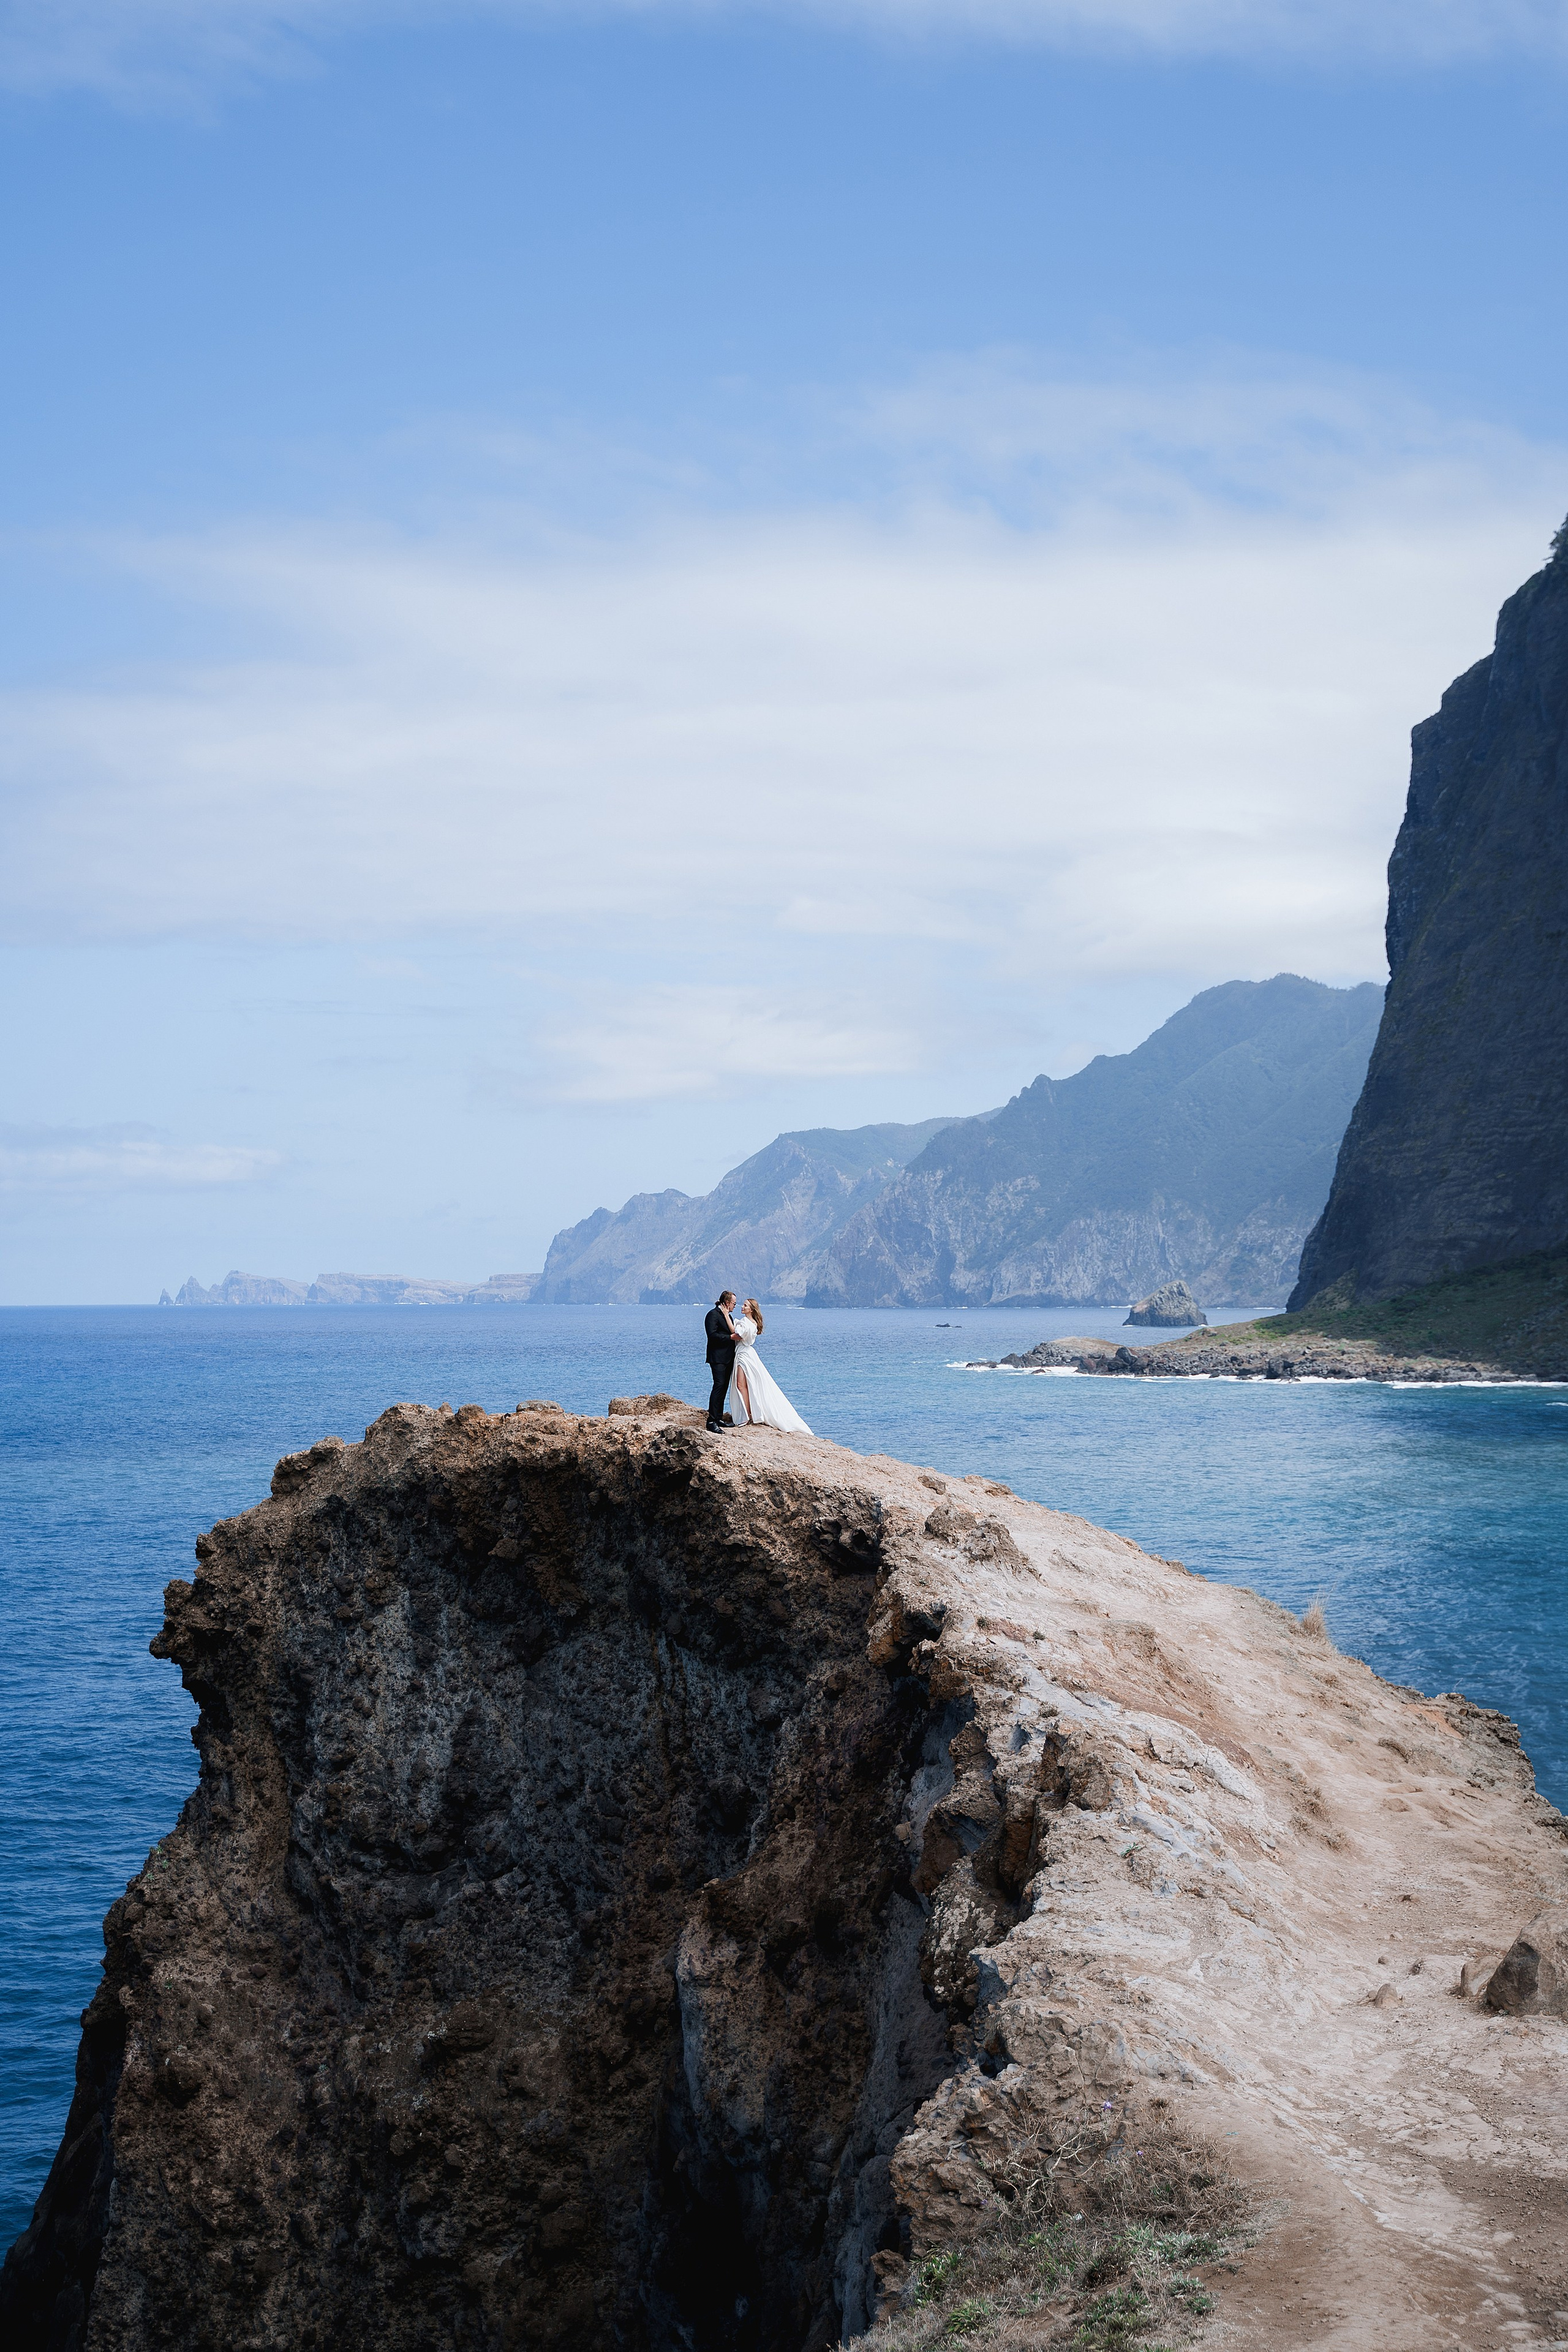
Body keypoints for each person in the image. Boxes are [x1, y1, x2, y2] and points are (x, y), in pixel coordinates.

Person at [727, 1297, 812, 1434]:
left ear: (751, 1309)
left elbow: (737, 1334)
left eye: (745, 1305)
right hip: (746, 1353)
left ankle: (747, 1415)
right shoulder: (752, 1323)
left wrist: (726, 1316)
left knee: (741, 1385)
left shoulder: (746, 1323)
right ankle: (748, 1414)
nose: (742, 1307)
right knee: (746, 1385)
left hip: (744, 1354)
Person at [704, 1292, 739, 1432]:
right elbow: (712, 1336)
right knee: (718, 1386)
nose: (735, 1306)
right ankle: (711, 1421)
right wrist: (730, 1337)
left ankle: (718, 1417)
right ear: (726, 1302)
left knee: (724, 1387)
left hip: (728, 1358)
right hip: (717, 1358)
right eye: (734, 1304)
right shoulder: (712, 1315)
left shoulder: (727, 1316)